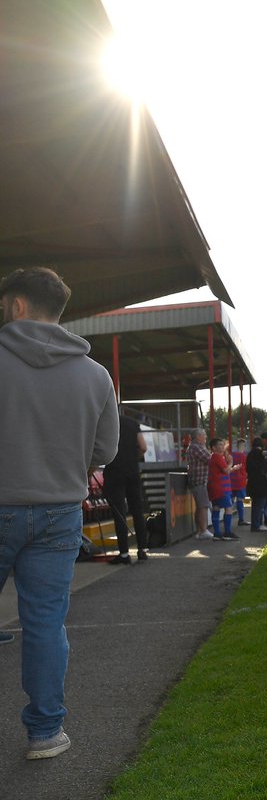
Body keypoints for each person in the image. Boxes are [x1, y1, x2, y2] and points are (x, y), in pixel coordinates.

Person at [0, 266, 119, 759]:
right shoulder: (95, 375)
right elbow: (107, 450)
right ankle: (45, 733)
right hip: (58, 512)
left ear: (18, 306)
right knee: (46, 623)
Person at [104, 414, 150, 564]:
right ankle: (142, 550)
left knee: (119, 512)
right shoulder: (132, 422)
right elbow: (143, 447)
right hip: (133, 471)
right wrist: (132, 458)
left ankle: (124, 554)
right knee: (137, 510)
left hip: (114, 472)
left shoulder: (105, 423)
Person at [184, 428, 214, 540]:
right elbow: (210, 460)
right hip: (199, 480)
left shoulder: (194, 447)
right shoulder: (197, 447)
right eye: (204, 435)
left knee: (200, 506)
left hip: (197, 480)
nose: (206, 437)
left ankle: (200, 530)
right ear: (198, 437)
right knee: (203, 506)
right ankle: (203, 531)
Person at [207, 438, 239, 541]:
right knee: (228, 508)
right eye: (220, 445)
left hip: (214, 488)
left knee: (216, 508)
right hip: (221, 488)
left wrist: (232, 468)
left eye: (222, 444)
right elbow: (226, 470)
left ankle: (217, 533)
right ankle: (227, 532)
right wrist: (231, 463)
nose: (222, 446)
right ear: (214, 448)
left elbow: (224, 471)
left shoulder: (213, 457)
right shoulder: (218, 457)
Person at [245, 436, 267, 531]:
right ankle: (257, 525)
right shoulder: (257, 453)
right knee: (259, 505)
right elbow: (263, 453)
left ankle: (261, 523)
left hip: (256, 483)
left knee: (260, 504)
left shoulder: (251, 455)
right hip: (260, 484)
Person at [230, 438, 250, 527]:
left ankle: (228, 518)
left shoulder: (231, 455)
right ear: (243, 446)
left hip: (231, 480)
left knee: (230, 500)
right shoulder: (244, 456)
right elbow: (247, 468)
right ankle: (241, 519)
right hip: (241, 480)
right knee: (241, 499)